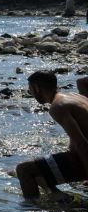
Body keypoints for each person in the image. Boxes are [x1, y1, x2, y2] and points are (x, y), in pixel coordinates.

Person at [15, 71, 88, 200]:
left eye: (30, 90)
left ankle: (33, 209)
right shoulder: (74, 96)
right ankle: (57, 195)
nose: (31, 94)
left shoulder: (57, 107)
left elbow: (81, 143)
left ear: (37, 88)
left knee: (24, 169)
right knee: (38, 167)